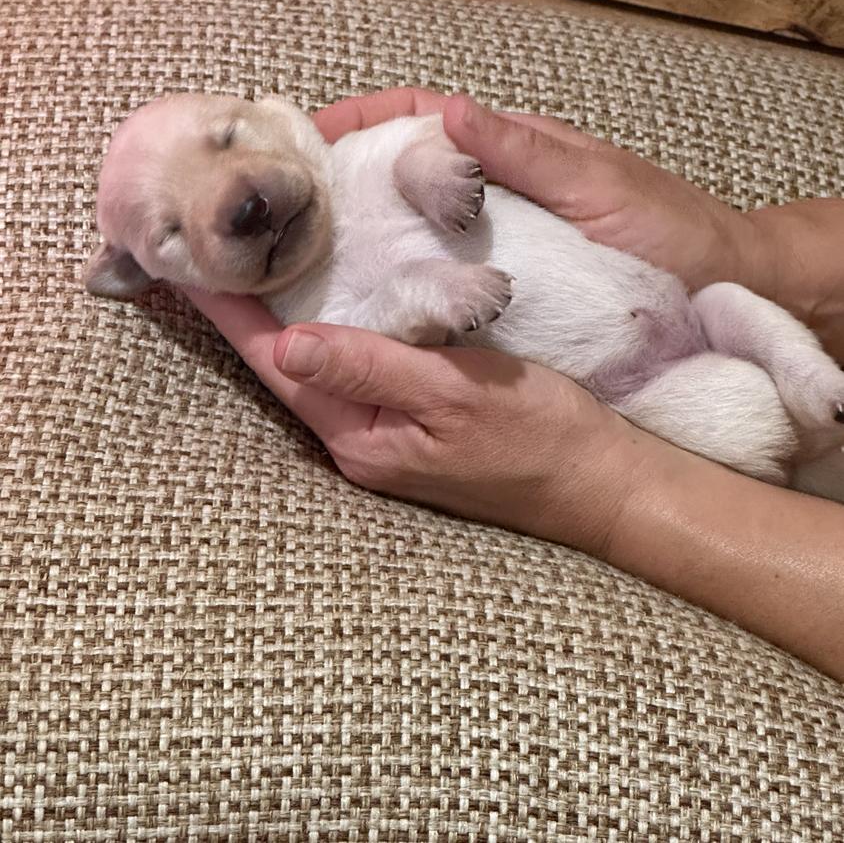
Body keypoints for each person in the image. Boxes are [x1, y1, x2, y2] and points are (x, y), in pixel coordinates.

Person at [187, 88, 844, 681]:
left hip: (691, 312)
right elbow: (365, 332)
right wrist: (761, 253)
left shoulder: (360, 152)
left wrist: (424, 164)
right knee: (746, 399)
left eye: (227, 139)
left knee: (734, 305)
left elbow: (422, 140)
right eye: (172, 228)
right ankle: (814, 409)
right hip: (648, 389)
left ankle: (811, 386)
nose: (237, 203)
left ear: (272, 110)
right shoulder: (299, 305)